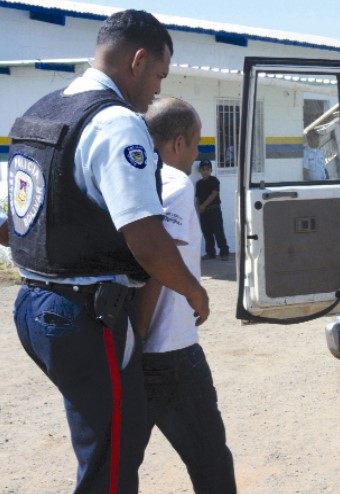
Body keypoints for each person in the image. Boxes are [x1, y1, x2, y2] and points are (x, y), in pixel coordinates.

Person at [6, 10, 209, 493]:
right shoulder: (117, 124)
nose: (156, 92)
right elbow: (146, 239)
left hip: (34, 308)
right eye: (158, 76)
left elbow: (16, 222)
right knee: (113, 456)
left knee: (105, 440)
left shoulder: (44, 111)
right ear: (138, 60)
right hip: (85, 315)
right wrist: (194, 292)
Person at [140, 97, 236, 493]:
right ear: (178, 143)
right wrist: (143, 335)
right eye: (196, 145)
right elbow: (153, 261)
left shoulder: (133, 179)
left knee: (117, 462)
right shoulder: (176, 184)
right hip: (168, 350)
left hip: (126, 349)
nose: (197, 155)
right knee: (210, 458)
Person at [195, 160, 230, 260]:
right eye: (203, 169)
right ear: (200, 170)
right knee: (207, 233)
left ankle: (224, 253)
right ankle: (210, 253)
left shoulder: (214, 180)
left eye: (207, 169)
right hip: (203, 212)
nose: (205, 171)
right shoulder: (199, 184)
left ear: (211, 170)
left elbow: (214, 194)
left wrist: (203, 206)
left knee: (218, 232)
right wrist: (199, 208)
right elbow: (197, 198)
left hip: (214, 210)